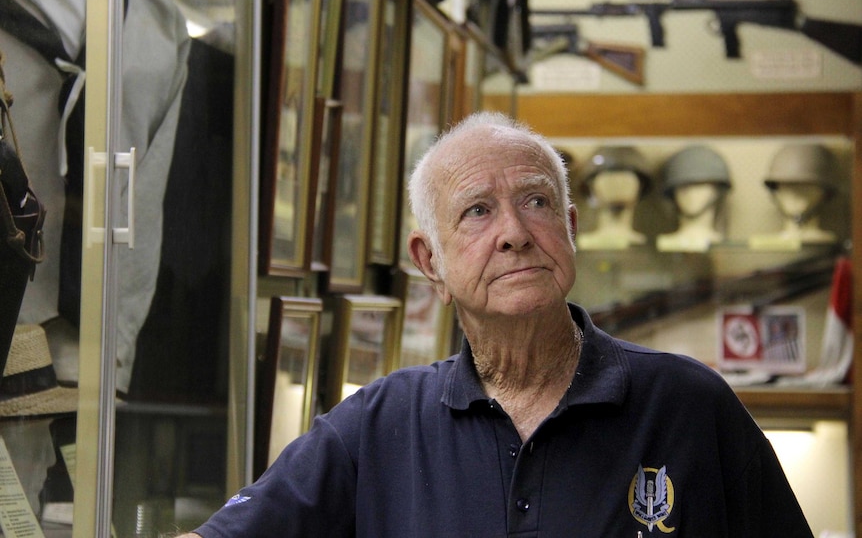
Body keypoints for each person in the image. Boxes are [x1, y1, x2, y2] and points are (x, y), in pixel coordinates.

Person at [180, 111, 812, 537]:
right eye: (477, 212)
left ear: (569, 227)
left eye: (535, 202)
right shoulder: (375, 428)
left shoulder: (690, 407)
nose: (514, 233)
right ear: (430, 260)